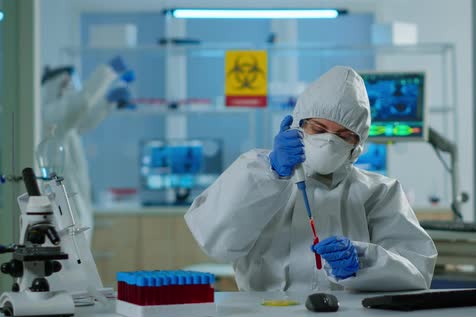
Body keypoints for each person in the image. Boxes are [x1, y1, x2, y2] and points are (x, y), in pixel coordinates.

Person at [185, 66, 437, 291]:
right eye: (318, 129)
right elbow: (216, 242)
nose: (329, 141)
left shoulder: (380, 192)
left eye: (344, 135)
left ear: (357, 146)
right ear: (297, 125)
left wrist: (365, 262)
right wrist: (272, 173)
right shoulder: (257, 171)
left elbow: (417, 271)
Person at [39, 56, 133, 242]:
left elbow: (83, 121)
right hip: (61, 208)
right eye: (67, 83)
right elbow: (79, 104)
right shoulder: (49, 115)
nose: (70, 88)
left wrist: (108, 102)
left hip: (73, 202)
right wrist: (106, 73)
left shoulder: (65, 126)